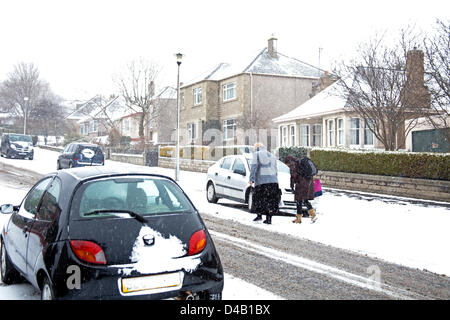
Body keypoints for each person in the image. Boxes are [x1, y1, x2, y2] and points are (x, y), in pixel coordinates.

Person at [249, 143, 280, 225]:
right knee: (270, 200)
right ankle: (269, 218)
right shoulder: (272, 156)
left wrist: (251, 179)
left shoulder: (257, 154)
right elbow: (275, 169)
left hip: (262, 181)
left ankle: (259, 215)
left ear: (256, 148)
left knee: (259, 199)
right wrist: (275, 179)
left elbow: (253, 167)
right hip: (273, 182)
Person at [284, 155, 317, 224]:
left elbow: (293, 176)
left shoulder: (293, 164)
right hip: (308, 182)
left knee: (299, 200)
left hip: (301, 183)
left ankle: (303, 217)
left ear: (288, 162)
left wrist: (292, 185)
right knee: (304, 200)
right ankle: (308, 214)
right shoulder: (299, 162)